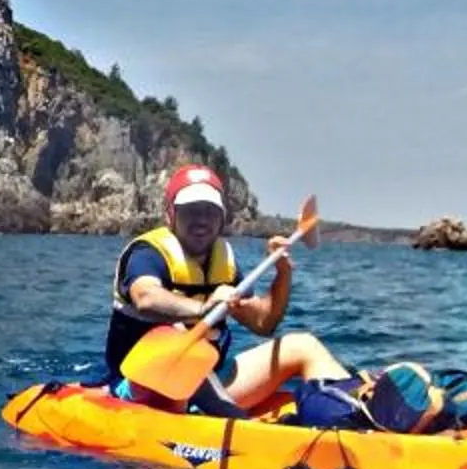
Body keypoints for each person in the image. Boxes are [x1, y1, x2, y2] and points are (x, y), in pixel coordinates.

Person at [107, 165, 352, 413]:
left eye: (210, 212)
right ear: (170, 215)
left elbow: (263, 323)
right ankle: (229, 419)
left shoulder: (223, 262)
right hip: (144, 385)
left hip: (210, 382)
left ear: (222, 218)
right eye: (191, 211)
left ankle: (354, 415)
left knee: (303, 346)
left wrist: (283, 274)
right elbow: (146, 298)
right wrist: (203, 309)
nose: (201, 220)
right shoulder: (147, 254)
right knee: (177, 331)